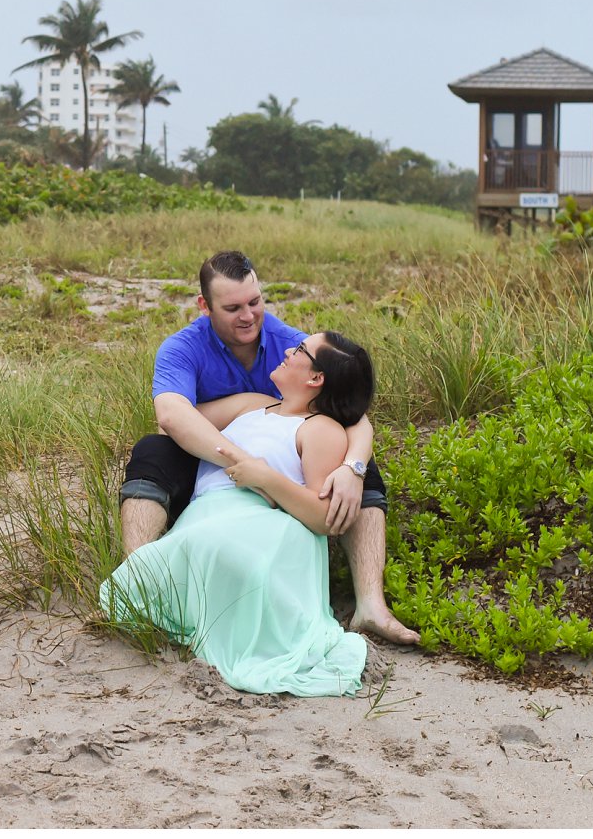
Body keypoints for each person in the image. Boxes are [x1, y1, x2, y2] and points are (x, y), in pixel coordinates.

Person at [118, 250, 419, 645]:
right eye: (233, 308)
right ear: (204, 306)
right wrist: (243, 463)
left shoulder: (291, 346)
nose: (248, 316)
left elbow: (352, 413)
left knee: (362, 467)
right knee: (153, 452)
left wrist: (354, 467)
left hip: (287, 469)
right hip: (211, 458)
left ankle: (370, 604)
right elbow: (172, 416)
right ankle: (137, 584)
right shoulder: (183, 348)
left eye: (255, 302)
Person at [99, 331, 374, 694]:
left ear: (315, 378)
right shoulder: (251, 404)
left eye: (301, 350)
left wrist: (266, 478)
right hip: (208, 511)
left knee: (215, 548)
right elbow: (184, 420)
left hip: (260, 521)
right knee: (147, 571)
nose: (289, 351)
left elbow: (323, 518)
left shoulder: (320, 429)